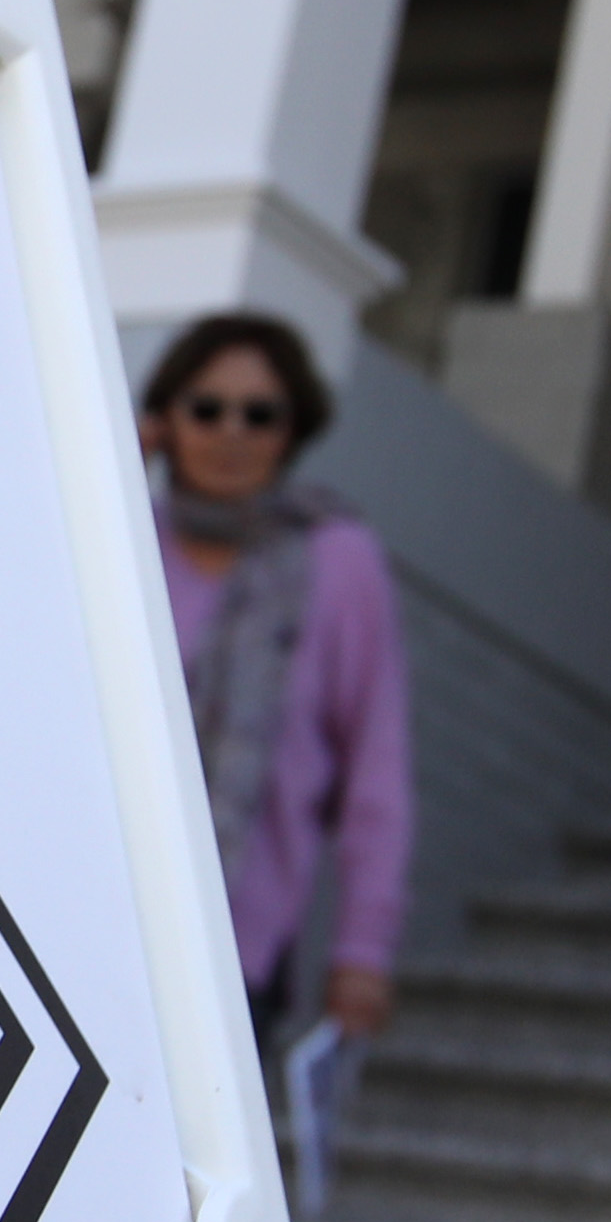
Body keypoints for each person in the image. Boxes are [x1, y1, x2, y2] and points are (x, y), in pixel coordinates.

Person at [140, 313, 414, 1060]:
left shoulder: (338, 561)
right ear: (165, 419)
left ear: (292, 430)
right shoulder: (120, 538)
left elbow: (375, 773)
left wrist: (364, 947)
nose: (232, 432)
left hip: (238, 946)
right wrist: (109, 469)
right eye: (206, 409)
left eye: (260, 414)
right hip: (85, 914)